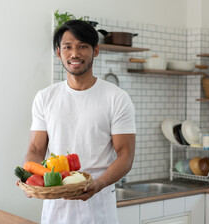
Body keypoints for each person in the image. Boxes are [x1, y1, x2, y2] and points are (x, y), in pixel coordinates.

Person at [24, 20, 136, 224]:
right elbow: (35, 148)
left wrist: (99, 184)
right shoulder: (45, 97)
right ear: (58, 52)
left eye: (82, 46)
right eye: (67, 47)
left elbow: (126, 155)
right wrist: (28, 176)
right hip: (56, 202)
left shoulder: (116, 98)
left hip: (98, 203)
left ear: (96, 50)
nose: (74, 53)